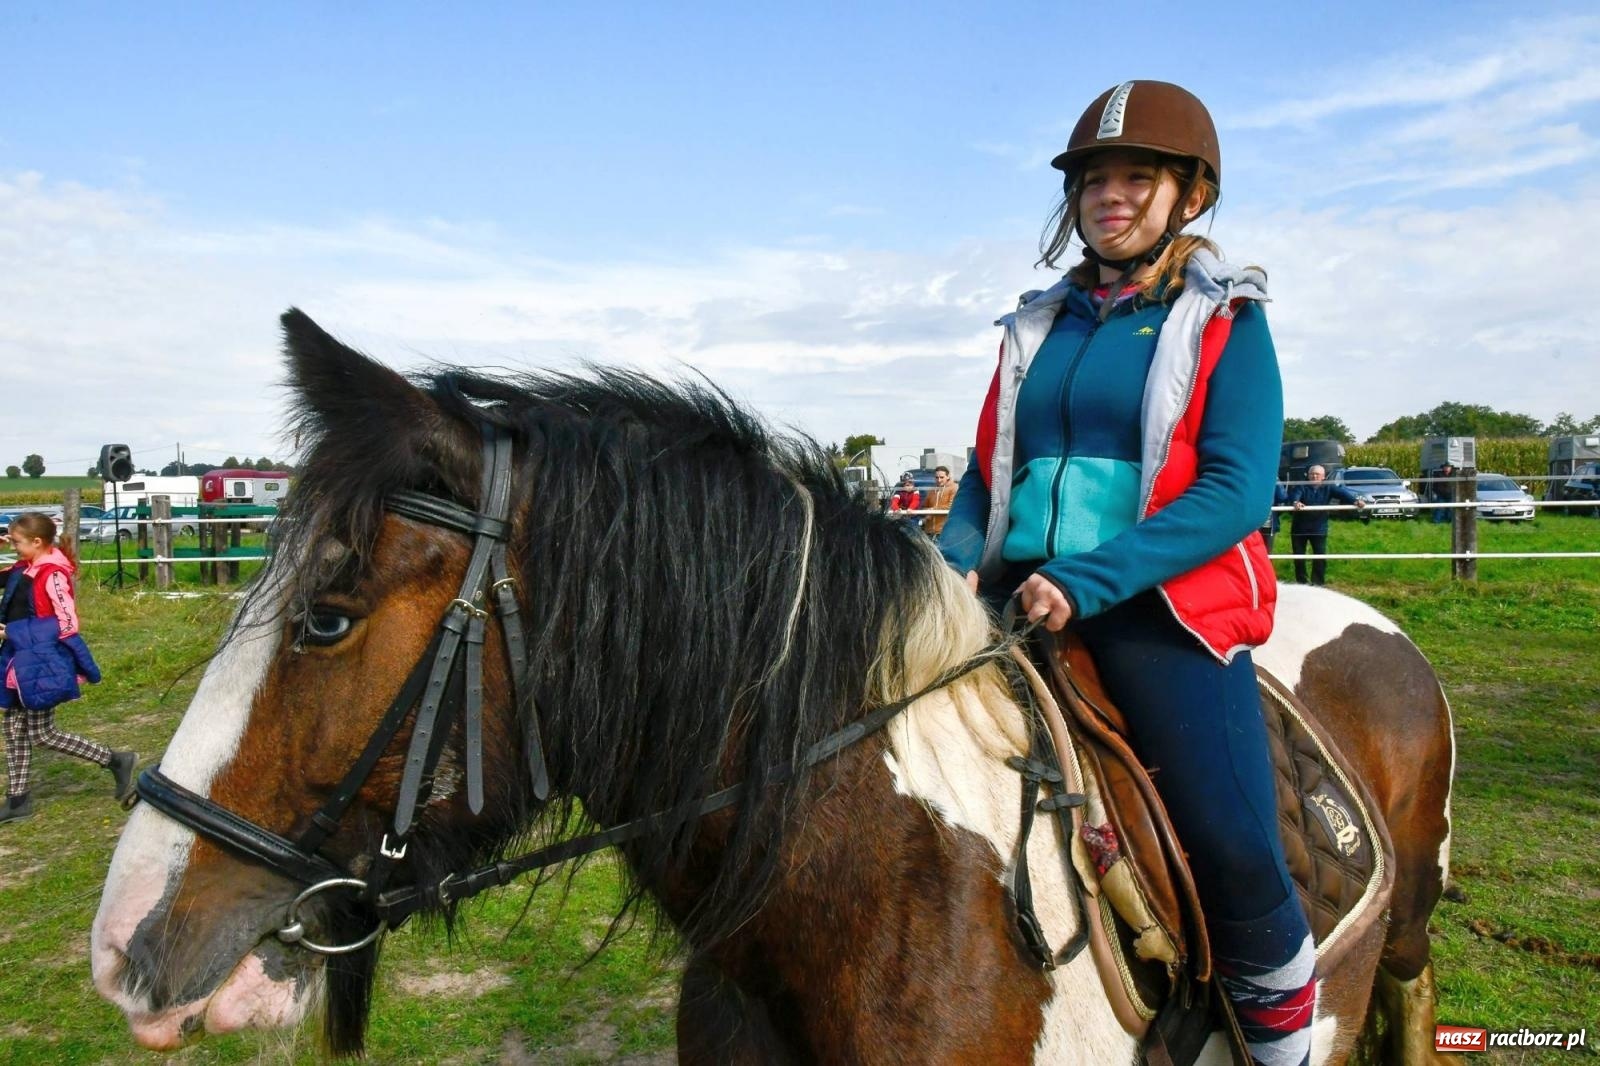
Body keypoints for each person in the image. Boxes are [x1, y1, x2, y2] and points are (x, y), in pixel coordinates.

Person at [938, 81, 1315, 1065]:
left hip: (1156, 606)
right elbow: (990, 468)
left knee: (1233, 841)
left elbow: (1233, 492)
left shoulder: (1226, 319)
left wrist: (1092, 577)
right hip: (1012, 596)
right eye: (1093, 180)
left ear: (1189, 195)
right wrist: (940, 574)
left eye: (1135, 177)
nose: (1108, 196)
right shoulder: (1034, 325)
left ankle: (1282, 1041)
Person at [0, 513, 135, 824]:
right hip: (19, 659)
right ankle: (18, 799)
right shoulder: (25, 567)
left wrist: (13, 633)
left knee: (43, 734)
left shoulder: (53, 574)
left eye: (17, 542)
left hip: (41, 662)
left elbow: (67, 623)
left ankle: (116, 760)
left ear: (37, 542)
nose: (14, 547)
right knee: (13, 727)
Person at [1286, 465, 1364, 585]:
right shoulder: (1301, 486)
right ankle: (1301, 582)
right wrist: (1296, 502)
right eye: (1312, 474)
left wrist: (1355, 501)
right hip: (1299, 528)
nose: (1314, 476)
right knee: (1299, 557)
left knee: (1320, 556)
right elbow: (1294, 496)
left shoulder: (1328, 487)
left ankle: (1318, 583)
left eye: (1317, 474)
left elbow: (1343, 494)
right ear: (1308, 475)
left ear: (1323, 476)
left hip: (1319, 527)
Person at [920, 466, 958, 538]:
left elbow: (951, 506)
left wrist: (932, 509)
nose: (939, 480)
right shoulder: (931, 490)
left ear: (948, 476)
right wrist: (927, 514)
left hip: (946, 532)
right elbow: (923, 507)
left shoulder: (954, 488)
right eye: (936, 477)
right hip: (929, 532)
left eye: (941, 477)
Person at [1259, 480, 1289, 553]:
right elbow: (1283, 498)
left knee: (1263, 552)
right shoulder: (1274, 479)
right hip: (1257, 525)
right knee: (1265, 552)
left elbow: (1283, 498)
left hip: (1265, 524)